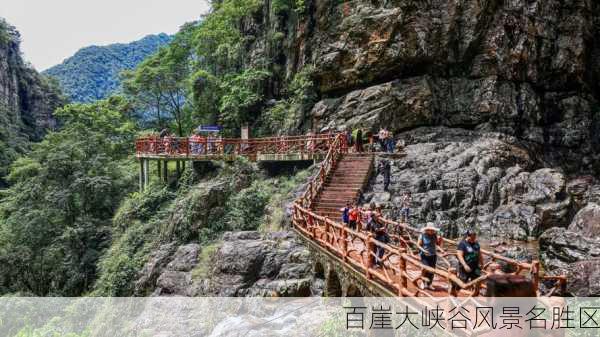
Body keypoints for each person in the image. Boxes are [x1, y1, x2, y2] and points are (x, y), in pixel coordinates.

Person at [417, 223, 443, 290]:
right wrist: (424, 251)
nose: (431, 231)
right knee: (424, 268)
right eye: (430, 230)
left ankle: (429, 284)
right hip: (424, 255)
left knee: (432, 270)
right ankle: (423, 282)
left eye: (432, 230)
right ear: (427, 230)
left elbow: (438, 244)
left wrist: (441, 239)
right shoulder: (422, 235)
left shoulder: (434, 235)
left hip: (433, 254)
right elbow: (418, 245)